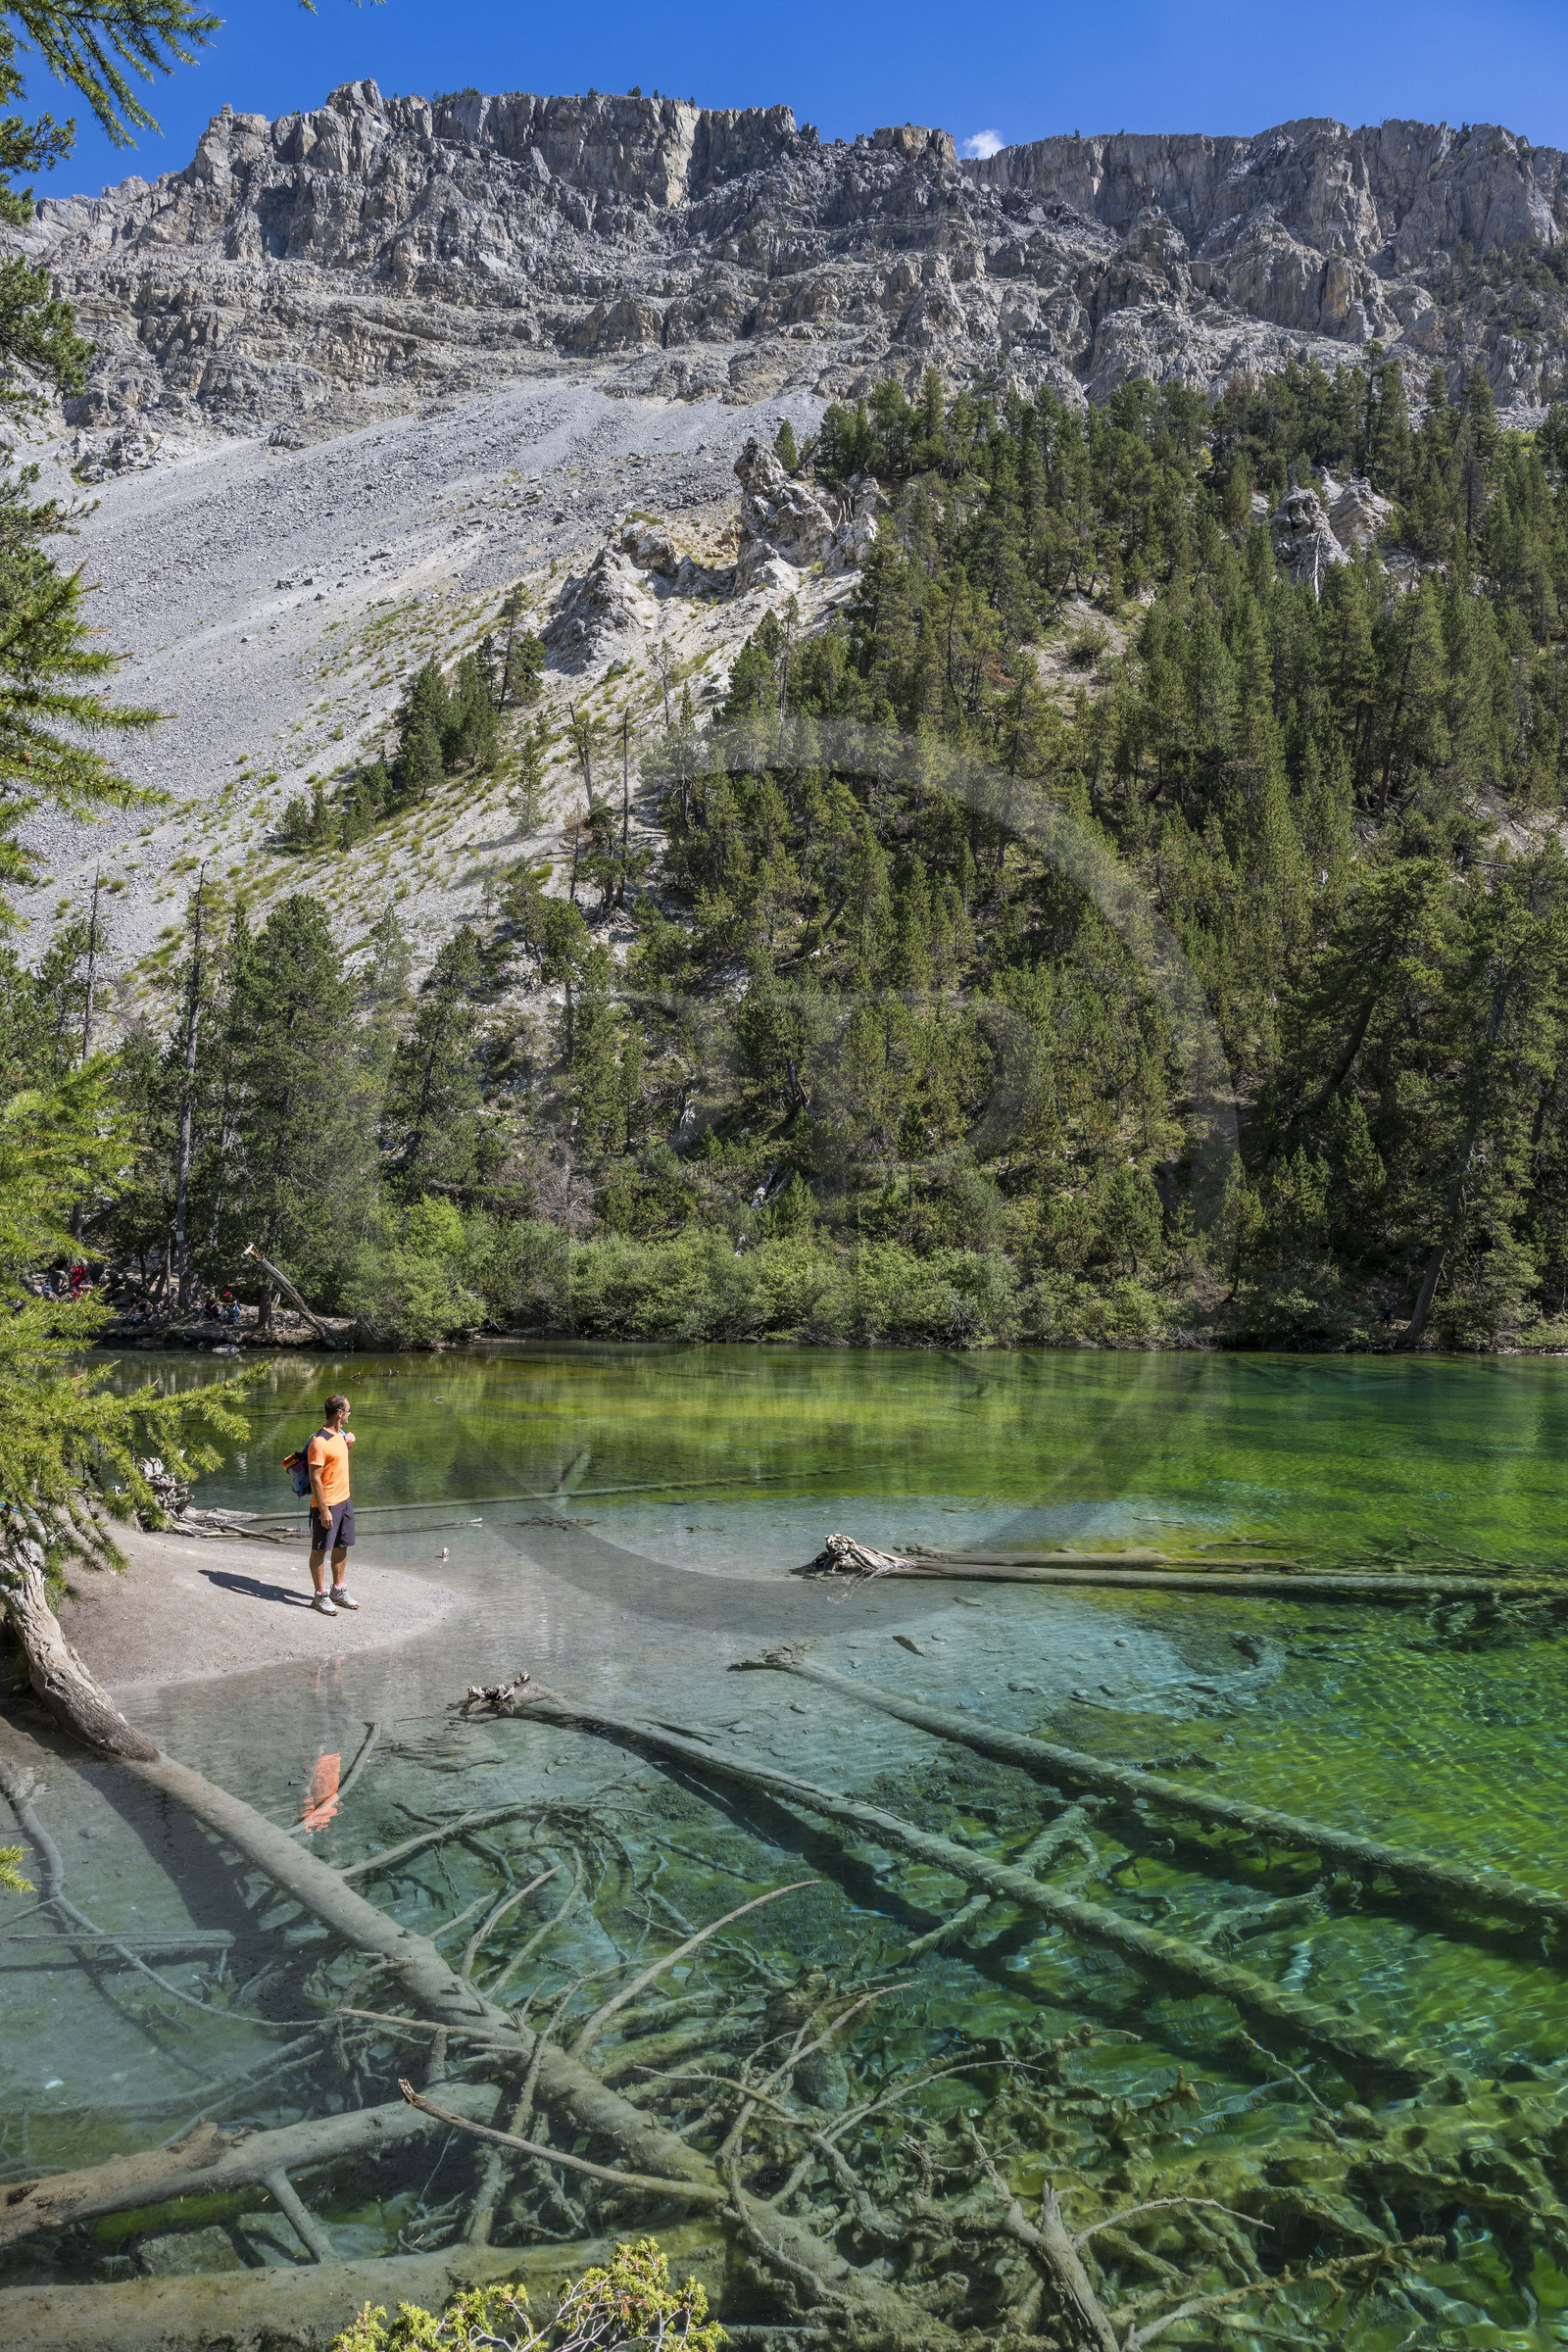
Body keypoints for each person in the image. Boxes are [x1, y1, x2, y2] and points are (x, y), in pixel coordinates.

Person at [306, 1393, 360, 1616]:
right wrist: (324, 1508)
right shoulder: (319, 1442)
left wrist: (349, 1442)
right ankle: (320, 1596)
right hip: (326, 1505)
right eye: (347, 1411)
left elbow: (335, 1463)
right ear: (339, 1413)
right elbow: (314, 1478)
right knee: (320, 1549)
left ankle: (338, 1590)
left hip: (345, 1502)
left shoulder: (340, 1435)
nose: (349, 1414)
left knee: (341, 1545)